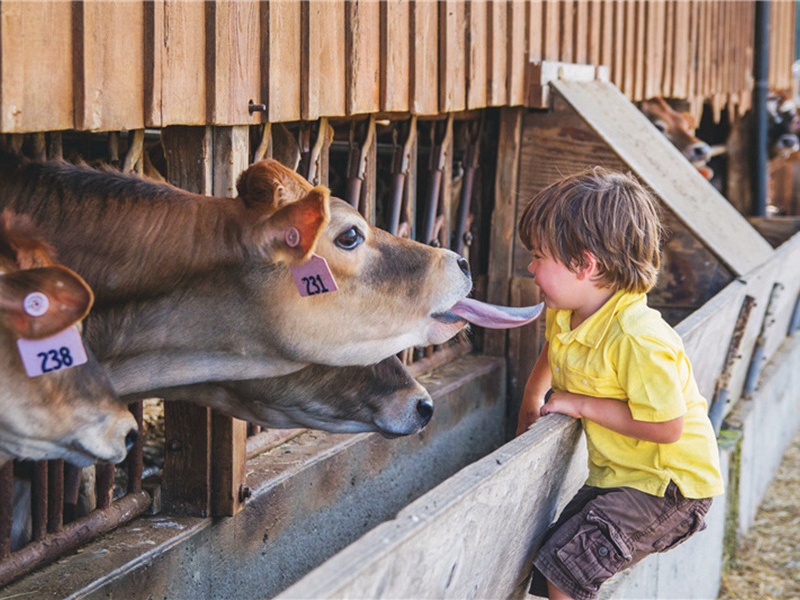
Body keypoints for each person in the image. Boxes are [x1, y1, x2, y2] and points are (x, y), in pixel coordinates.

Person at [516, 167, 724, 600]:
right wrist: (533, 400)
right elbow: (553, 352)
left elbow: (668, 427)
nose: (531, 268)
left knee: (564, 569)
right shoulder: (569, 311)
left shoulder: (637, 337)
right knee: (551, 555)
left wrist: (580, 404)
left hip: (669, 488)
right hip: (623, 476)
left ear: (585, 265)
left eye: (538, 256)